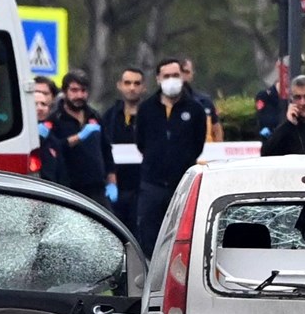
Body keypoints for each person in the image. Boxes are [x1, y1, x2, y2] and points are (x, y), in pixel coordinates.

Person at [135, 58, 207, 257]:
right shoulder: (146, 109)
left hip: (182, 183)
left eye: (175, 75)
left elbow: (197, 144)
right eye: (166, 76)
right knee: (149, 234)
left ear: (183, 76)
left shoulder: (195, 109)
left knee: (184, 233)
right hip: (152, 184)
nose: (171, 80)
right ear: (158, 78)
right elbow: (141, 142)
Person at [47, 70, 117, 209]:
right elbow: (55, 150)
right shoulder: (55, 120)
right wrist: (79, 137)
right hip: (70, 189)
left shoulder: (94, 116)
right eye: (74, 90)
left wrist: (112, 183)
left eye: (83, 91)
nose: (79, 95)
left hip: (97, 189)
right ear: (65, 91)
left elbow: (106, 151)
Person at [102, 66, 145, 236]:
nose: (132, 87)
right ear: (119, 85)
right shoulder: (109, 116)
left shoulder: (150, 114)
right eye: (127, 83)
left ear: (143, 87)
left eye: (136, 83)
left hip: (143, 186)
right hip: (117, 184)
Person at [181, 57, 223, 142]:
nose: (183, 76)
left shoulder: (205, 101)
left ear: (192, 74)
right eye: (180, 72)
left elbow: (217, 131)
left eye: (187, 72)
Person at [34, 89, 66, 185]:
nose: (40, 108)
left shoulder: (52, 137)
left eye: (43, 104)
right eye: (35, 104)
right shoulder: (21, 134)